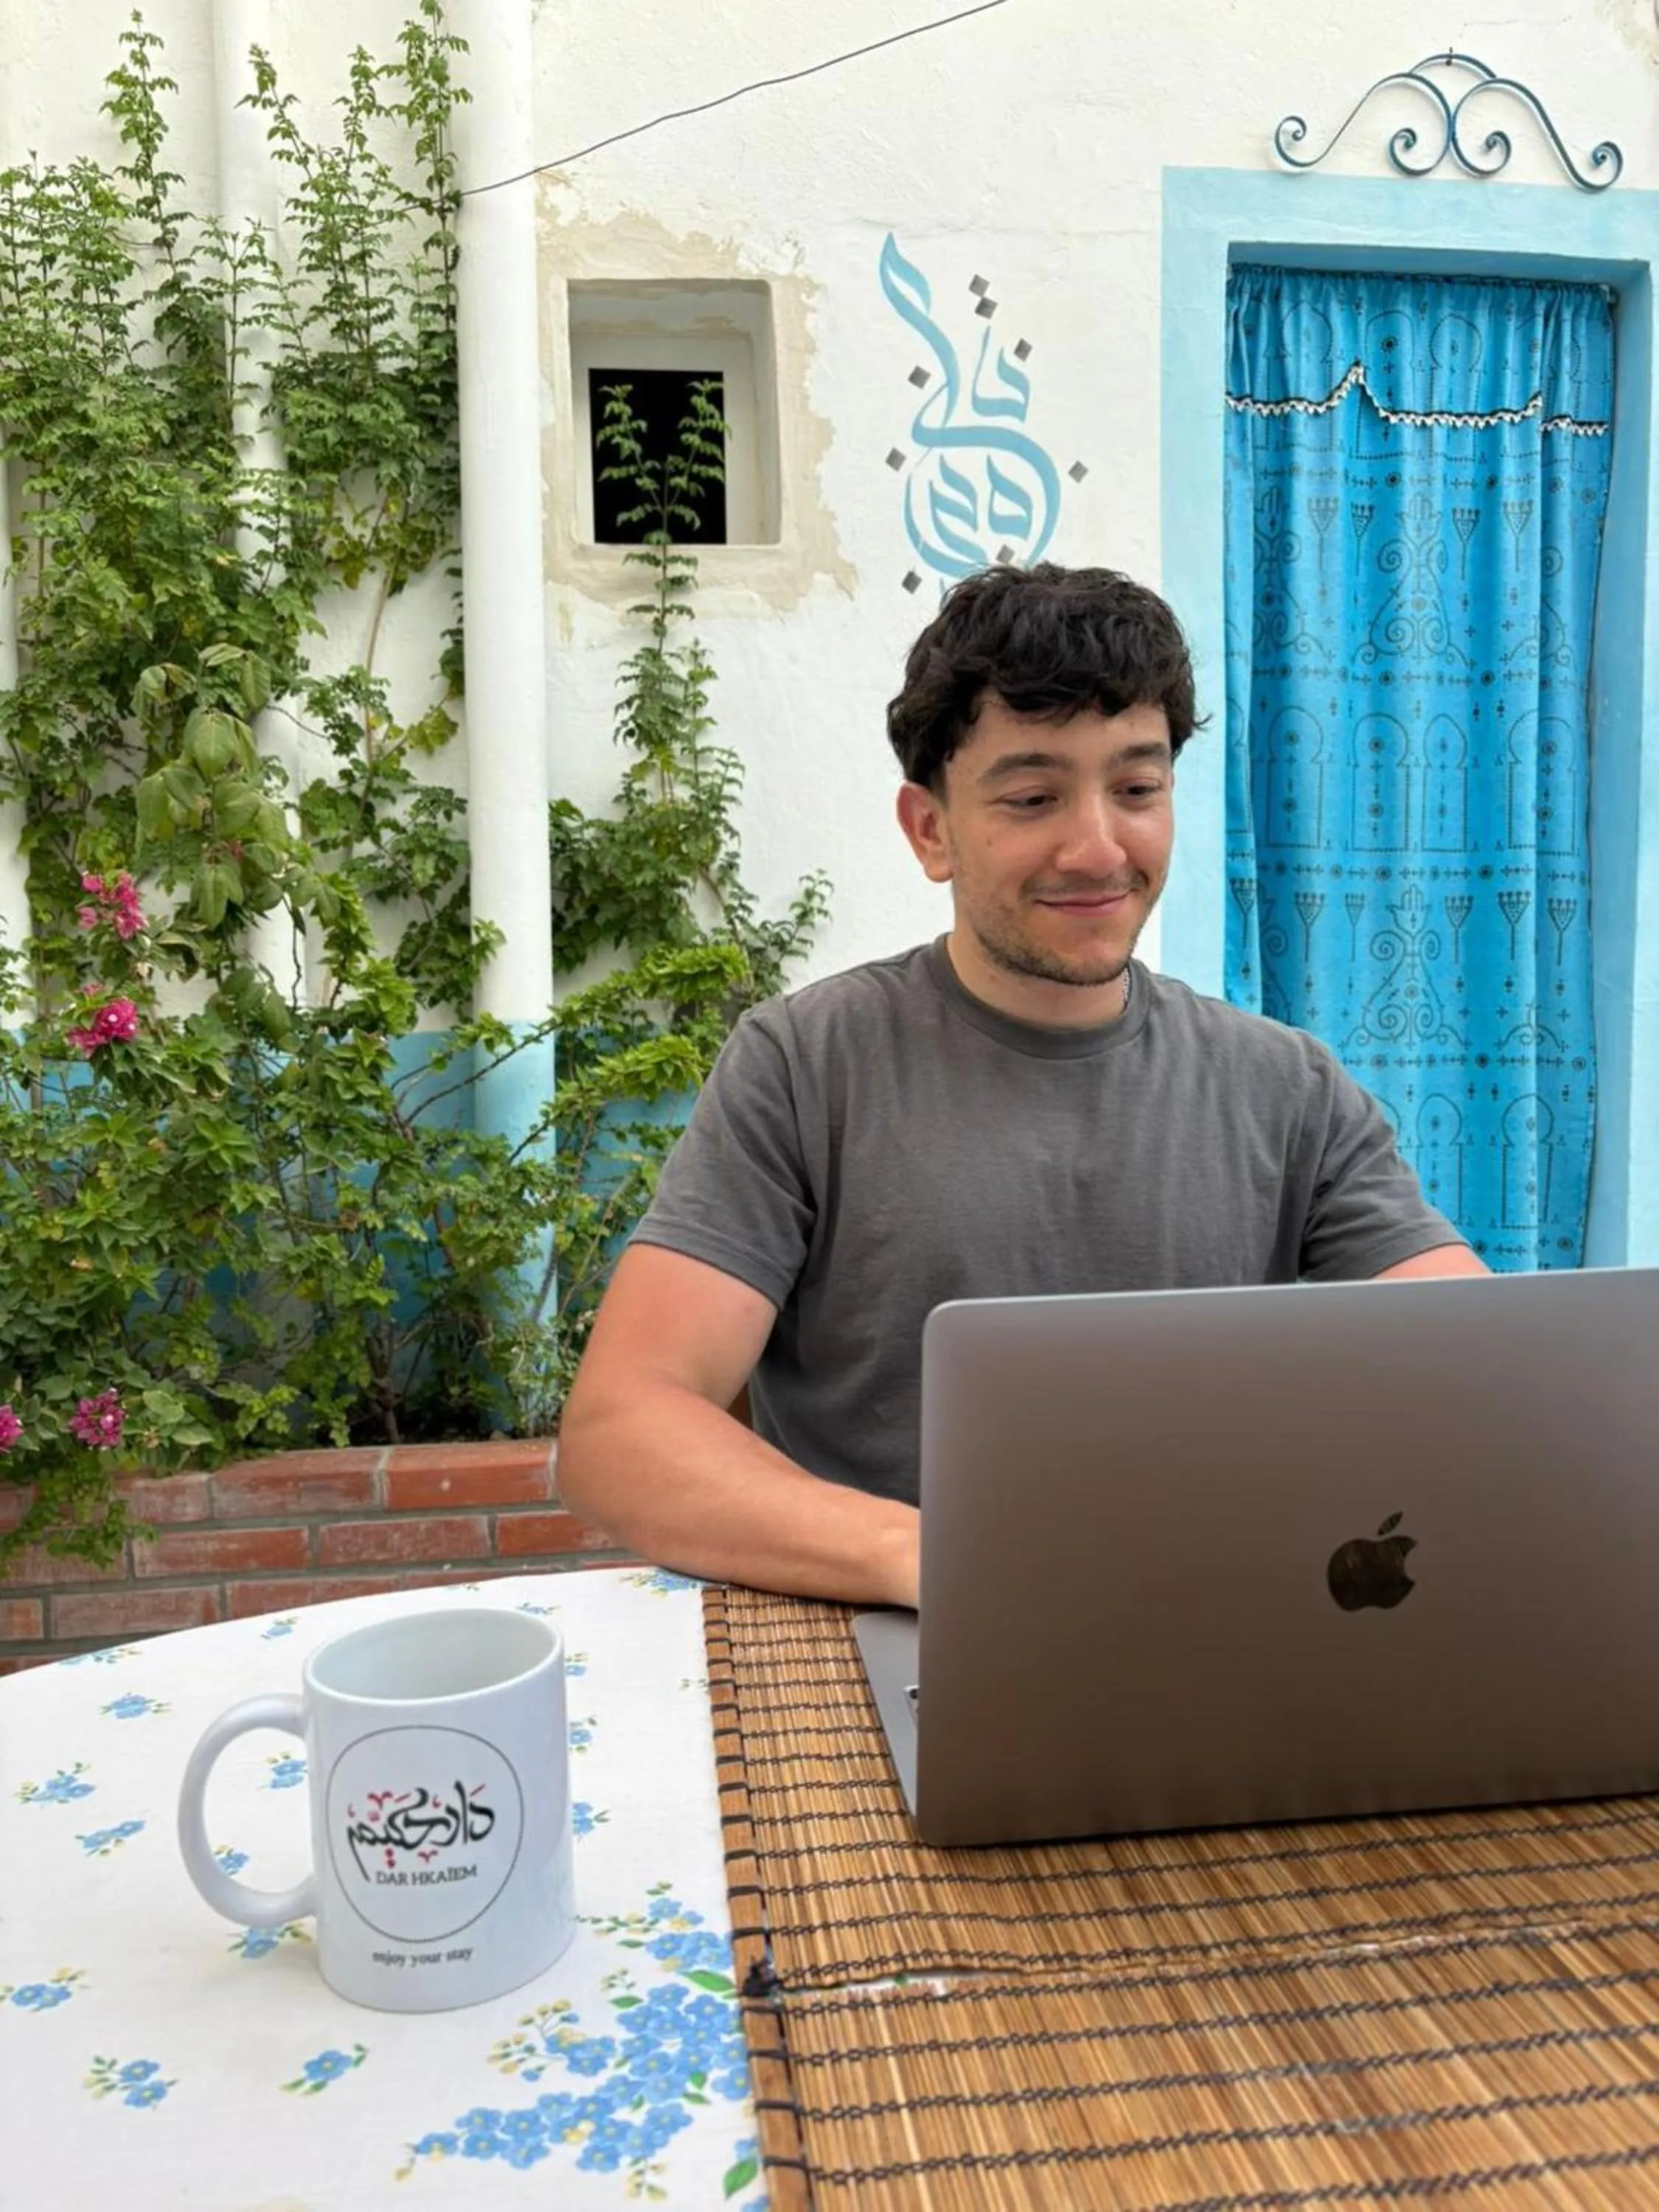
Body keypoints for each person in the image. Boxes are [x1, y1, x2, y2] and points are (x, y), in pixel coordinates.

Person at [555, 564, 1485, 1610]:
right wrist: (941, 1564)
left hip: (1226, 1633)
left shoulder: (1286, 1087)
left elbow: (1479, 1369)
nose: (1096, 847)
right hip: (885, 1654)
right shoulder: (806, 1065)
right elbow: (623, 1430)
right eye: (1033, 797)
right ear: (930, 830)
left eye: (1136, 788)